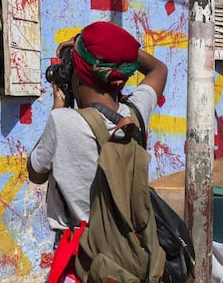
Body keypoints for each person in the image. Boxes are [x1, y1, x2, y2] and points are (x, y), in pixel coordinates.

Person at [27, 21, 167, 245]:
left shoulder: (62, 121)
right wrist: (119, 54)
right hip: (128, 248)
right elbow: (158, 69)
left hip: (81, 254)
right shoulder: (136, 113)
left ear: (78, 74)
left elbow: (36, 173)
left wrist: (58, 104)